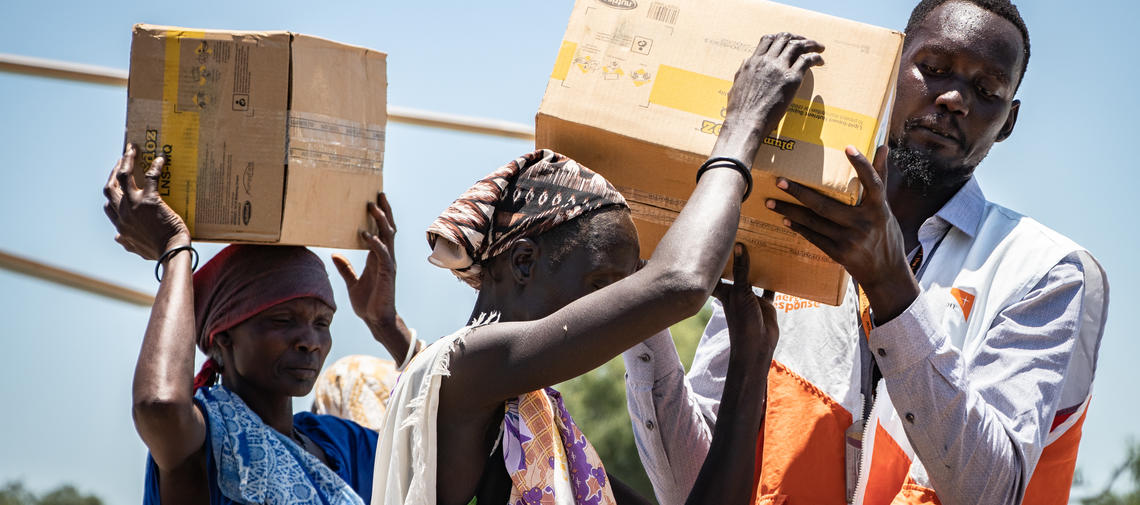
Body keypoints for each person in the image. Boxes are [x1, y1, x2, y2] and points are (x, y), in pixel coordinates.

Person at [621, 1, 1109, 505]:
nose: (953, 99)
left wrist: (890, 284)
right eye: (934, 69)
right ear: (888, 70)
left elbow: (990, 491)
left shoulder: (1043, 270)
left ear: (1008, 121)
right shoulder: (783, 225)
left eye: (986, 91)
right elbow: (690, 488)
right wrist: (639, 297)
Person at [370, 34, 824, 505]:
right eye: (602, 283)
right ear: (523, 262)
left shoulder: (543, 427)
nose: (622, 303)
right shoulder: (463, 367)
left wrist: (749, 369)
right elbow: (680, 284)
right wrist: (742, 125)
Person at [102, 153, 407, 504]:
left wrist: (384, 324)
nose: (310, 342)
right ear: (223, 338)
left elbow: (455, 443)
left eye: (322, 323)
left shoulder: (343, 444)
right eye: (282, 320)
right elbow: (160, 404)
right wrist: (175, 248)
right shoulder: (205, 439)